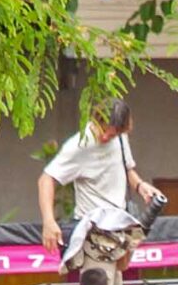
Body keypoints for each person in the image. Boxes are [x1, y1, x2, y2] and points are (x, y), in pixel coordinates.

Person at [40, 98, 159, 275]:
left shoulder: (120, 139)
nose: (104, 137)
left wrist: (140, 185)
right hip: (93, 233)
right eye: (101, 131)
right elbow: (46, 179)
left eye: (111, 135)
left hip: (119, 230)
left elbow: (125, 168)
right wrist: (49, 221)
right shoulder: (79, 145)